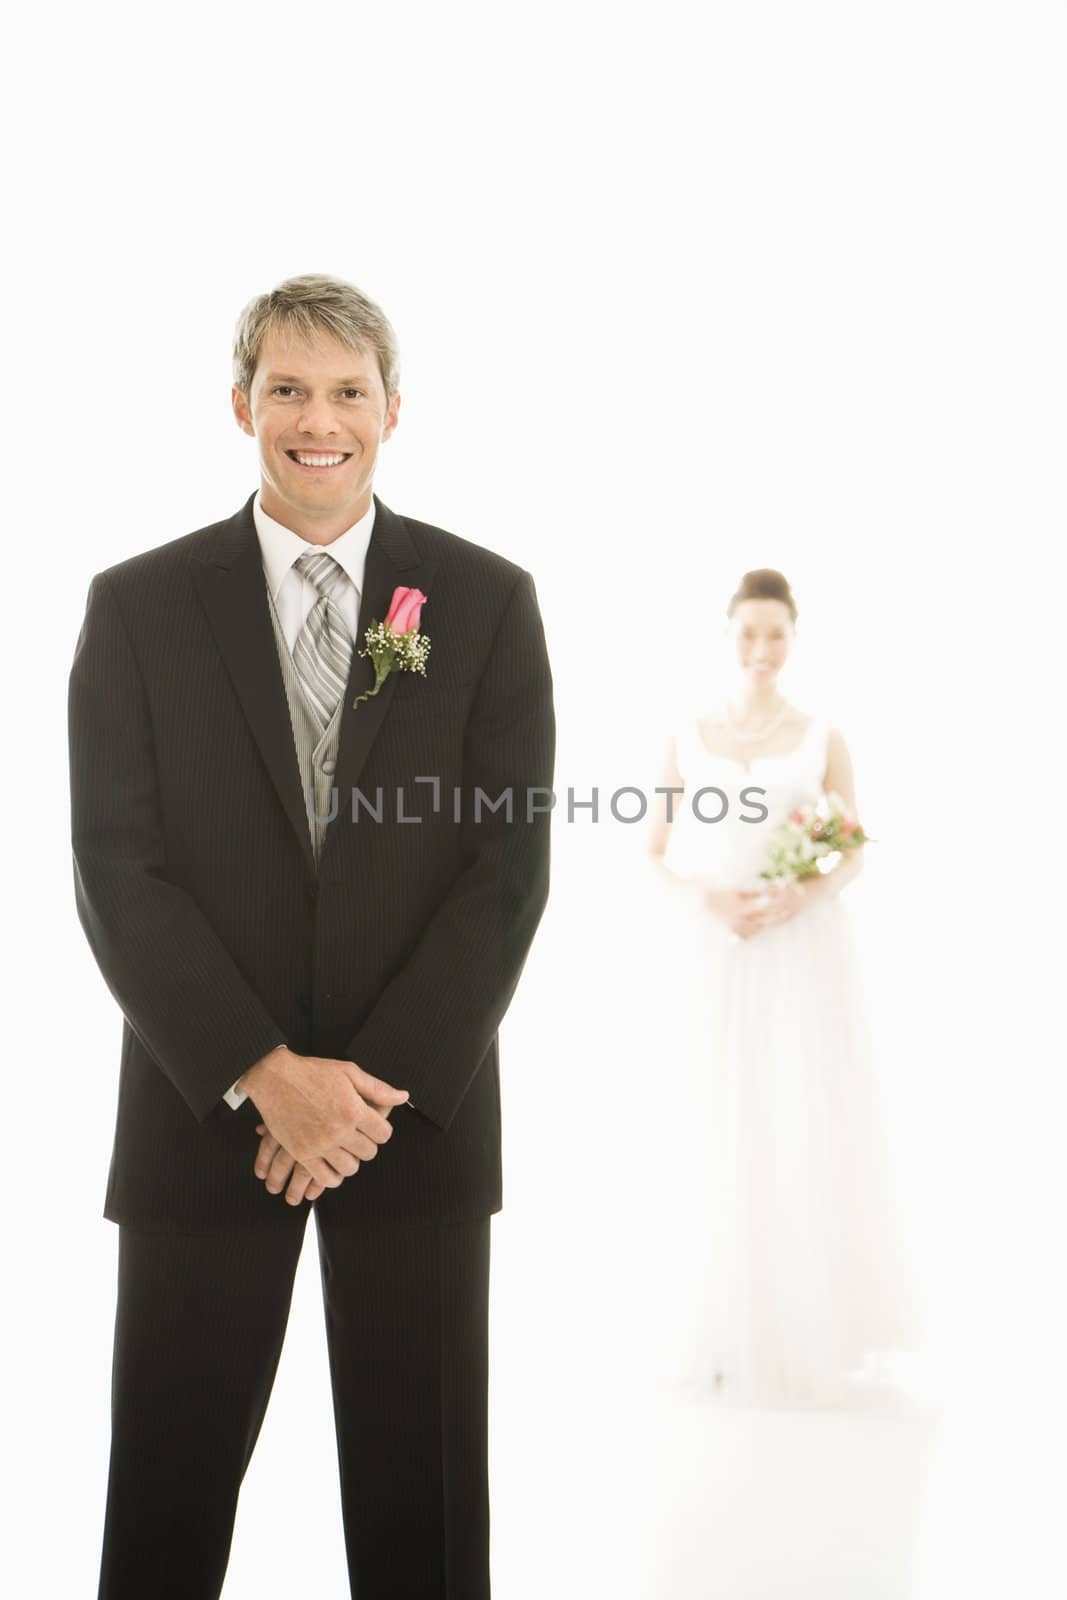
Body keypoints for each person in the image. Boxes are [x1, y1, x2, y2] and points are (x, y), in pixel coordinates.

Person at [67, 272, 555, 1597]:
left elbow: (502, 866)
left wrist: (361, 1094)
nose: (317, 419)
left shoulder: (487, 600)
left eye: (347, 391)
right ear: (241, 405)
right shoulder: (137, 606)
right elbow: (120, 868)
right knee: (165, 1487)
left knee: (424, 1503)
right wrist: (263, 1074)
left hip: (414, 1116)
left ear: (393, 411)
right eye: (288, 388)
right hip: (203, 1110)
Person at [647, 568, 920, 1408]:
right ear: (727, 635)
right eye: (747, 633)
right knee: (715, 1119)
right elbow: (653, 849)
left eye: (775, 635)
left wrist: (803, 892)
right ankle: (719, 1330)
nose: (760, 650)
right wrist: (709, 898)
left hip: (800, 948)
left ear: (792, 638)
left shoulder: (821, 736)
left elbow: (854, 847)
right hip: (716, 948)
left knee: (798, 1117)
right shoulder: (688, 734)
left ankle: (806, 1328)